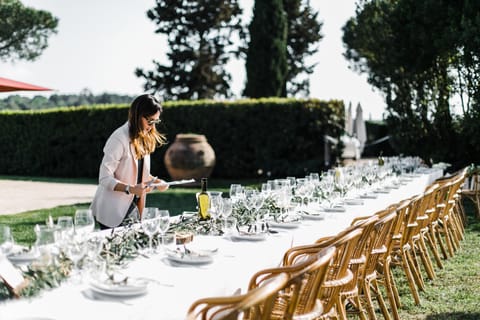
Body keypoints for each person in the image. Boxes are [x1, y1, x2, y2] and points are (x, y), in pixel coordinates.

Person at [90, 94, 169, 229]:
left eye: (155, 121)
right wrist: (130, 189)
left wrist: (157, 182)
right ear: (137, 115)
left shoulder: (144, 137)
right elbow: (104, 178)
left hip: (134, 208)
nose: (151, 126)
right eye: (150, 121)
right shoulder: (118, 138)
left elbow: (137, 173)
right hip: (112, 211)